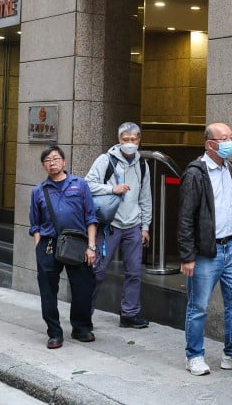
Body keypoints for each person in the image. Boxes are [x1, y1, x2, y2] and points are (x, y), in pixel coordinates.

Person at [177, 122, 232, 376]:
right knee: (198, 305)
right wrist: (187, 255)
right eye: (224, 139)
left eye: (231, 137)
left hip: (231, 246)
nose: (229, 143)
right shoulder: (195, 173)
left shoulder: (230, 168)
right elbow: (185, 217)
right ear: (210, 144)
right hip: (205, 252)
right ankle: (195, 355)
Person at [29, 145, 98, 348]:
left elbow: (91, 217)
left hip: (78, 243)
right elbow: (35, 223)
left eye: (56, 158)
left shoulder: (80, 185)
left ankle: (81, 328)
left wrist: (91, 247)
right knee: (48, 291)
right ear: (44, 165)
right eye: (48, 160)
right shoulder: (39, 191)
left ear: (64, 162)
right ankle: (54, 333)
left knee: (83, 288)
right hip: (49, 245)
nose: (52, 163)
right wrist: (39, 247)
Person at [85, 122, 153, 329]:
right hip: (110, 224)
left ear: (139, 140)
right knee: (97, 271)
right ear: (119, 140)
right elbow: (87, 183)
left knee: (134, 272)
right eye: (125, 139)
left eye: (133, 140)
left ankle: (129, 314)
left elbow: (146, 197)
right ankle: (84, 315)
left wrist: (145, 227)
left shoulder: (143, 165)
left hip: (133, 225)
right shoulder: (105, 160)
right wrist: (112, 189)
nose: (130, 143)